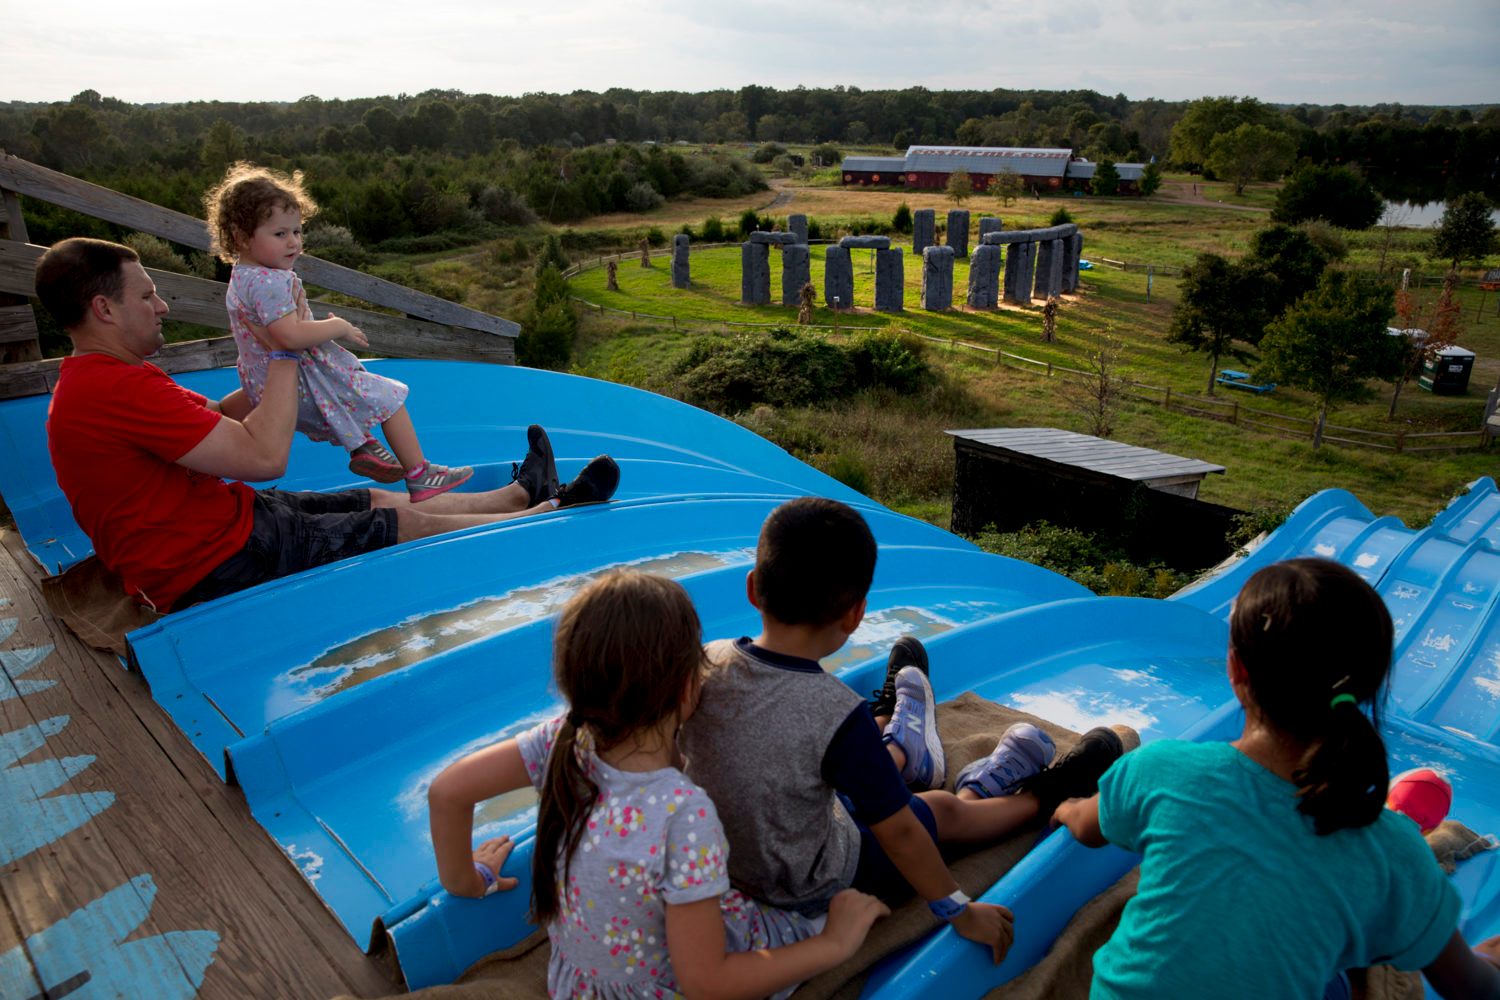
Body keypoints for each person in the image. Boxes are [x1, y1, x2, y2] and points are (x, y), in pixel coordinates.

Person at [37, 237, 620, 613]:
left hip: (224, 526)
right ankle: (549, 516)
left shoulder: (107, 379)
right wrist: (287, 348)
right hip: (210, 564)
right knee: (390, 525)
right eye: (148, 296)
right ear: (104, 309)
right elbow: (265, 456)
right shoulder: (114, 389)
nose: (162, 306)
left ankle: (519, 492)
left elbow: (213, 419)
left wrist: (288, 368)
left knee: (369, 497)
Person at [679, 496, 1135, 964]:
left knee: (853, 778)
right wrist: (959, 911)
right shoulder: (835, 712)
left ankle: (905, 746)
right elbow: (899, 835)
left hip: (738, 854)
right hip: (811, 885)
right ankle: (1041, 796)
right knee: (937, 811)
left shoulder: (704, 662)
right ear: (855, 615)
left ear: (753, 588)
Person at [427, 571, 890, 999]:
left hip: (576, 987)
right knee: (824, 915)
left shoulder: (563, 739)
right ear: (688, 688)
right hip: (675, 986)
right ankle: (895, 743)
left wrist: (469, 880)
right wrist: (832, 944)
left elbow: (447, 792)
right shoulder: (683, 815)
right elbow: (708, 982)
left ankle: (893, 741)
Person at [1052, 558, 1500, 999]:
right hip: (1382, 878)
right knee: (1346, 969)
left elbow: (1088, 827)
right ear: (1365, 687)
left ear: (1236, 668)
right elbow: (1470, 986)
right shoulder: (1398, 856)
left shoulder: (1162, 769)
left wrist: (1065, 807)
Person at [204, 162, 468, 502]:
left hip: (260, 383)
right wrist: (337, 326)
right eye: (280, 234)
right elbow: (290, 337)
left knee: (354, 395)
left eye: (297, 232)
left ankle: (363, 447)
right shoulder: (269, 282)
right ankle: (420, 474)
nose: (293, 243)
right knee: (389, 399)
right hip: (292, 385)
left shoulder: (243, 276)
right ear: (241, 237)